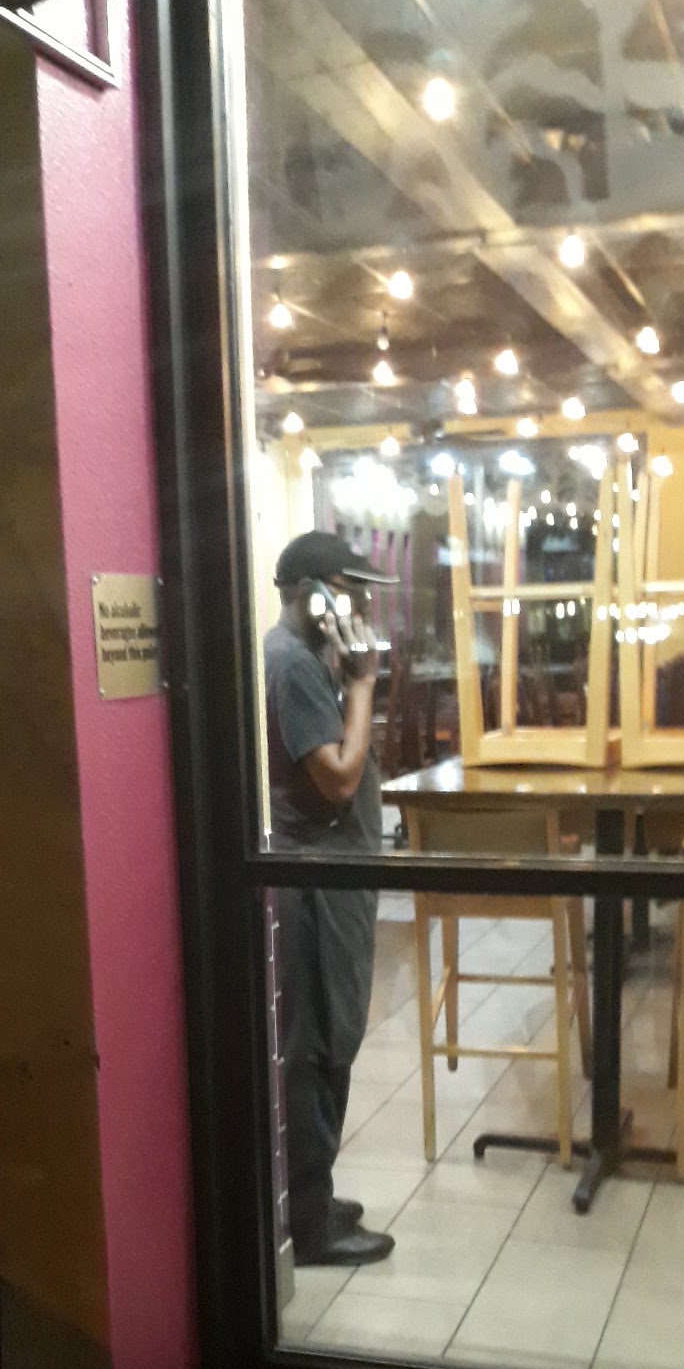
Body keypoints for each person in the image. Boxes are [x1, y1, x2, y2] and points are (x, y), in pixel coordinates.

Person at [265, 531, 397, 1268]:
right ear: (315, 594)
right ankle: (310, 1222)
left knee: (332, 1036)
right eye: (352, 591)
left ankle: (312, 1195)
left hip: (334, 879)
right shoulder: (292, 665)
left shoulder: (306, 660)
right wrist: (364, 684)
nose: (364, 605)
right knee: (316, 1047)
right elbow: (339, 780)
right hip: (316, 886)